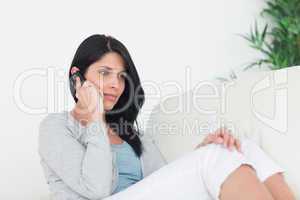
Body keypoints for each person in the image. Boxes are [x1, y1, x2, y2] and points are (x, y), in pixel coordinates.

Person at [38, 34, 295, 200]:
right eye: (105, 73)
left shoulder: (130, 133)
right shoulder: (56, 127)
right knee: (216, 156)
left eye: (121, 77)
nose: (116, 84)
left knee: (239, 146)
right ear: (76, 76)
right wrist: (94, 121)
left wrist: (202, 151)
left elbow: (165, 181)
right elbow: (97, 189)